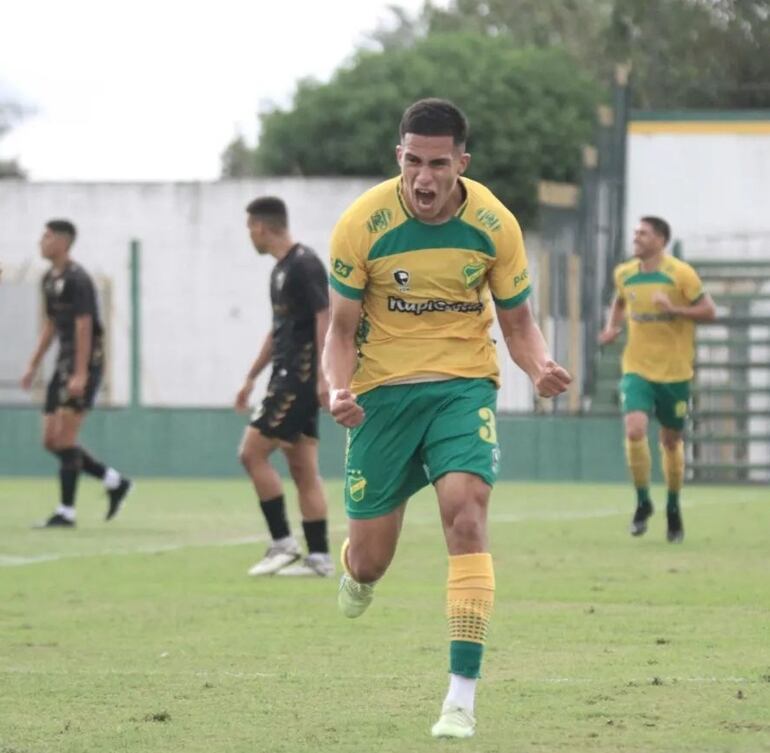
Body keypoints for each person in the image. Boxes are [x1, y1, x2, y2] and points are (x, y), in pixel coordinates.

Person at [324, 98, 571, 739]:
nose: (424, 178)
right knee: (371, 561)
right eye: (413, 161)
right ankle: (354, 567)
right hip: (380, 398)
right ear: (397, 157)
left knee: (467, 514)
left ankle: (460, 698)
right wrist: (336, 389)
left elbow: (518, 325)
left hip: (463, 388)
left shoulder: (495, 224)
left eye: (438, 163)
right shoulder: (362, 224)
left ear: (462, 161)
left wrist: (540, 365)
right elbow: (339, 331)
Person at [599, 216, 716, 542]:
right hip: (637, 368)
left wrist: (676, 310)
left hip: (675, 372)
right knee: (634, 429)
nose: (636, 237)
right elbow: (620, 300)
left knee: (670, 441)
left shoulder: (681, 274)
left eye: (643, 233)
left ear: (661, 240)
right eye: (635, 232)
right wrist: (613, 327)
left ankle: (674, 508)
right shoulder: (625, 273)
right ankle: (642, 502)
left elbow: (709, 311)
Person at [235, 197, 333, 577]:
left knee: (251, 454)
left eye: (250, 229)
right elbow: (277, 332)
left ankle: (283, 543)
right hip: (286, 377)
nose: (250, 236)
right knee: (303, 469)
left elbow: (325, 316)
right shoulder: (280, 270)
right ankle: (320, 558)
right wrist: (251, 376)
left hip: (299, 379)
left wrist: (325, 375)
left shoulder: (304, 264)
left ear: (261, 227)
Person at [21, 219, 132, 527]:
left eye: (47, 236)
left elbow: (84, 325)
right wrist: (33, 363)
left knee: (66, 438)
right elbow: (52, 324)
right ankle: (114, 481)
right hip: (63, 363)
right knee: (51, 440)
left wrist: (81, 373)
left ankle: (66, 512)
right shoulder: (48, 279)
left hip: (85, 363)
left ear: (63, 242)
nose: (41, 242)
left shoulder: (78, 279)